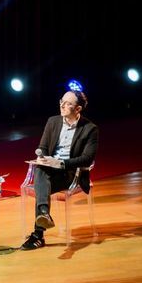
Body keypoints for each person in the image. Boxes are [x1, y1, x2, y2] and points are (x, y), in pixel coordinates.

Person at [21, 90, 98, 250]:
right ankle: (44, 213)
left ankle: (38, 235)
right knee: (40, 170)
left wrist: (61, 163)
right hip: (49, 169)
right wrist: (42, 156)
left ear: (78, 109)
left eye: (68, 103)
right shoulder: (53, 121)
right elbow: (43, 147)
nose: (62, 105)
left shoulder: (90, 128)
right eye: (61, 101)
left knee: (41, 186)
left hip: (70, 173)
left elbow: (87, 159)